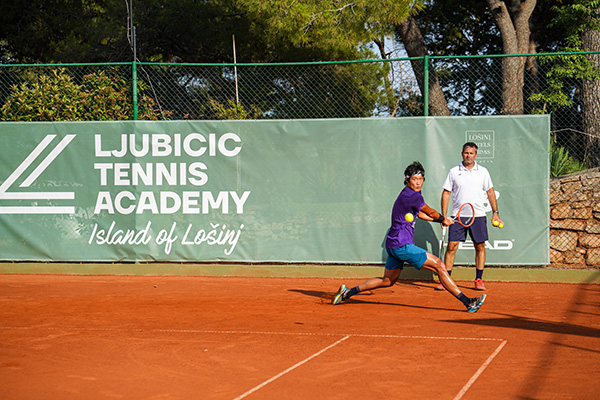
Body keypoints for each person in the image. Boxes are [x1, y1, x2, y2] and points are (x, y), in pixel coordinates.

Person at [332, 161, 486, 313]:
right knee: (439, 265)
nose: (418, 183)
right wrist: (442, 218)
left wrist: (439, 220)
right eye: (414, 179)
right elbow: (430, 211)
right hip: (402, 244)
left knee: (387, 281)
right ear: (407, 179)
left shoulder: (408, 193)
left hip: (392, 245)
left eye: (420, 179)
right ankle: (468, 302)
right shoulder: (413, 196)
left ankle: (347, 292)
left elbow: (419, 213)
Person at [436, 142, 503, 291]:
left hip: (478, 215)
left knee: (479, 246)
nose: (468, 155)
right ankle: (446, 280)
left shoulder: (483, 172)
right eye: (466, 153)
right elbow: (446, 193)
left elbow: (490, 191)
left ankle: (478, 279)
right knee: (452, 247)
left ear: (476, 155)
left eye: (471, 153)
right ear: (462, 154)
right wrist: (444, 217)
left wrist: (495, 213)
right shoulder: (454, 172)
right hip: (457, 216)